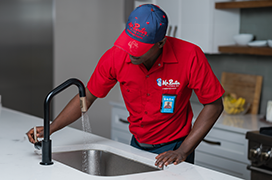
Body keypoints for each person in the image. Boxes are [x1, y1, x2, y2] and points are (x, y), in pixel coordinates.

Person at [26, 4, 224, 168]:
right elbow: (86, 98)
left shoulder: (190, 56)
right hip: (136, 145)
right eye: (129, 42)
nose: (131, 52)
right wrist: (51, 128)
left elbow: (214, 105)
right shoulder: (116, 55)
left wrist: (183, 150)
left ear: (160, 43)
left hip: (176, 148)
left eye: (140, 48)